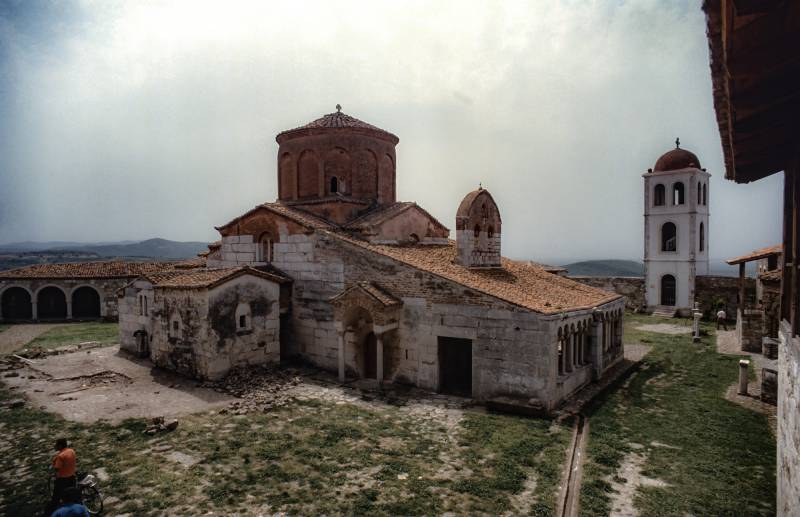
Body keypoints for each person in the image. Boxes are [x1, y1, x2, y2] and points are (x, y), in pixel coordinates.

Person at [45, 438, 77, 516]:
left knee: (56, 497)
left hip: (63, 480)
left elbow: (57, 468)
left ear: (60, 446)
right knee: (72, 496)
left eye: (56, 445)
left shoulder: (60, 456)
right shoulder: (71, 451)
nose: (55, 446)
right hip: (72, 477)